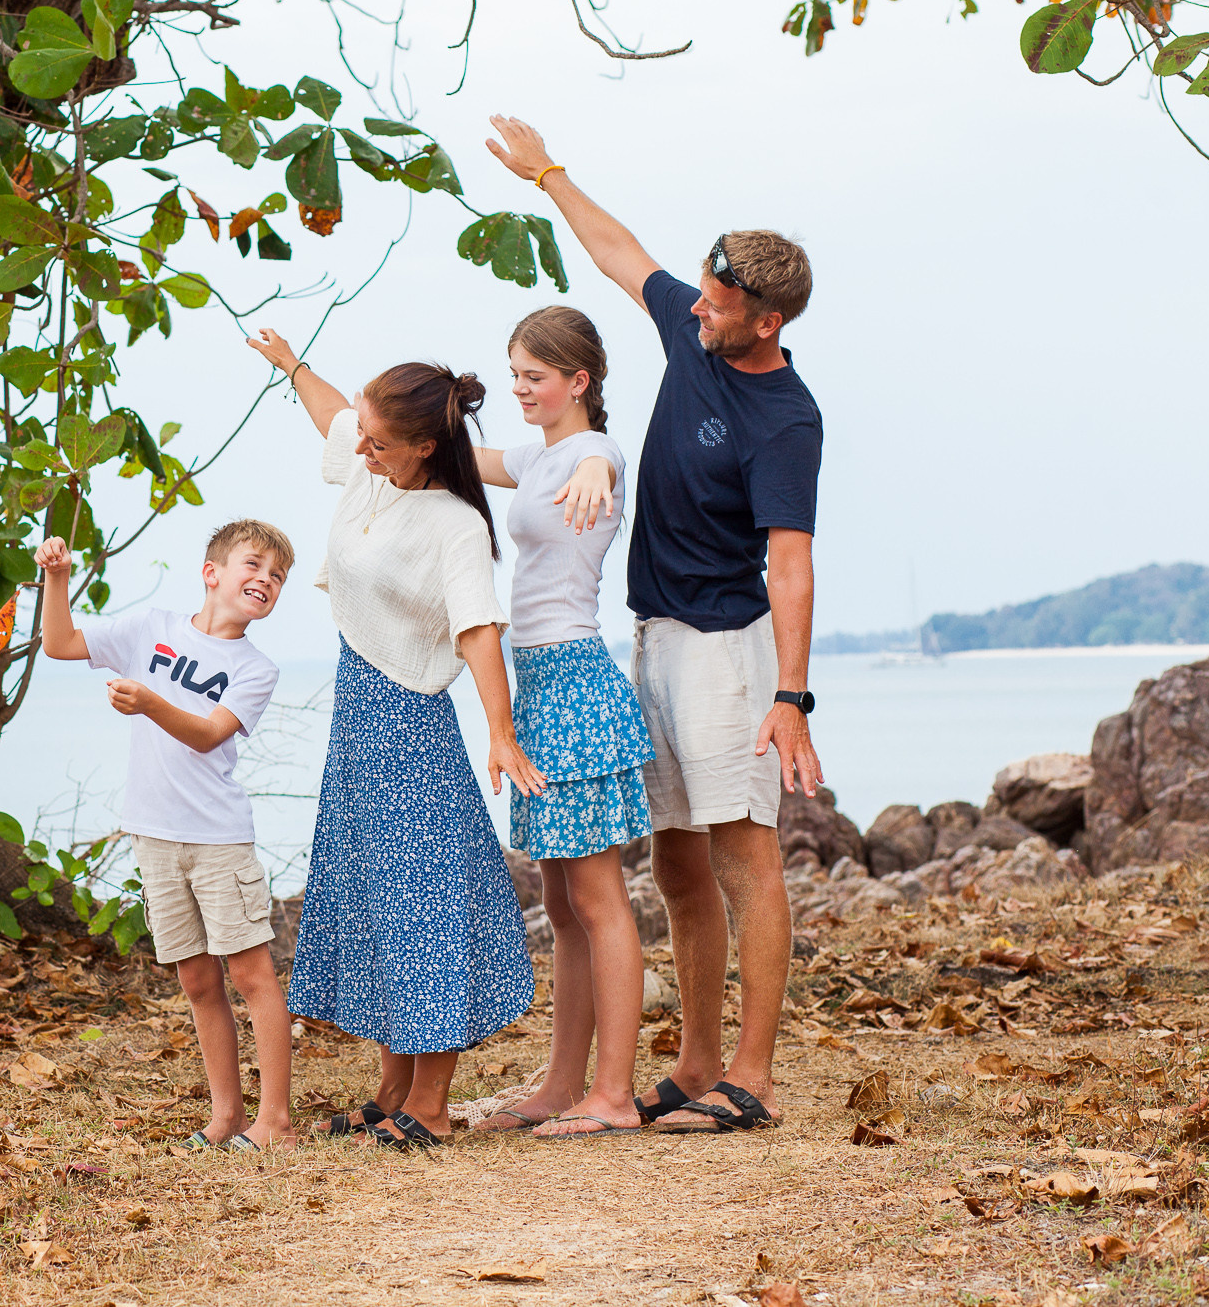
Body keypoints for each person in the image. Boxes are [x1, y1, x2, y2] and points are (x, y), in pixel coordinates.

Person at [485, 114, 826, 1134]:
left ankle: (752, 1079)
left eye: (718, 305)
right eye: (703, 293)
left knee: (741, 850)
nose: (699, 311)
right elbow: (617, 252)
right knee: (676, 860)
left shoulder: (785, 418)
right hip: (650, 638)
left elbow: (791, 562)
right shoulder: (695, 326)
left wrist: (790, 696)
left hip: (728, 648)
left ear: (762, 319)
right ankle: (693, 1060)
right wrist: (547, 172)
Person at [245, 328, 544, 1150]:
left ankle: (435, 1105)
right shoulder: (372, 462)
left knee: (424, 908)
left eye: (379, 441)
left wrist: (501, 731)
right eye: (365, 436)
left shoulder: (454, 526)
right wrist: (293, 366)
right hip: (357, 714)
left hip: (410, 725)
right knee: (378, 902)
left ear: (424, 446)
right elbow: (333, 416)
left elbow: (479, 629)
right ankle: (393, 1088)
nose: (362, 446)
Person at [33, 520, 298, 1151]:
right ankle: (227, 1115)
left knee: (252, 975)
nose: (264, 579)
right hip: (154, 836)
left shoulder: (256, 669)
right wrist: (58, 578)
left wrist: (150, 701)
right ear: (212, 573)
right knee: (198, 982)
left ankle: (277, 1122)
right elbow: (60, 643)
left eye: (277, 576)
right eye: (253, 565)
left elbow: (209, 734)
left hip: (218, 840)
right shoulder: (150, 627)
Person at [467, 307, 655, 1140]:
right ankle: (562, 1083)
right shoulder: (537, 458)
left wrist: (597, 470)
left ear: (579, 382)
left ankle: (614, 1094)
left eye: (534, 376)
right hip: (537, 688)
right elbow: (442, 456)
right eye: (514, 375)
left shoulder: (589, 455)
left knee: (596, 894)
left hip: (576, 681)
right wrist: (330, 397)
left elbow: (601, 462)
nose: (519, 389)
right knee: (562, 897)